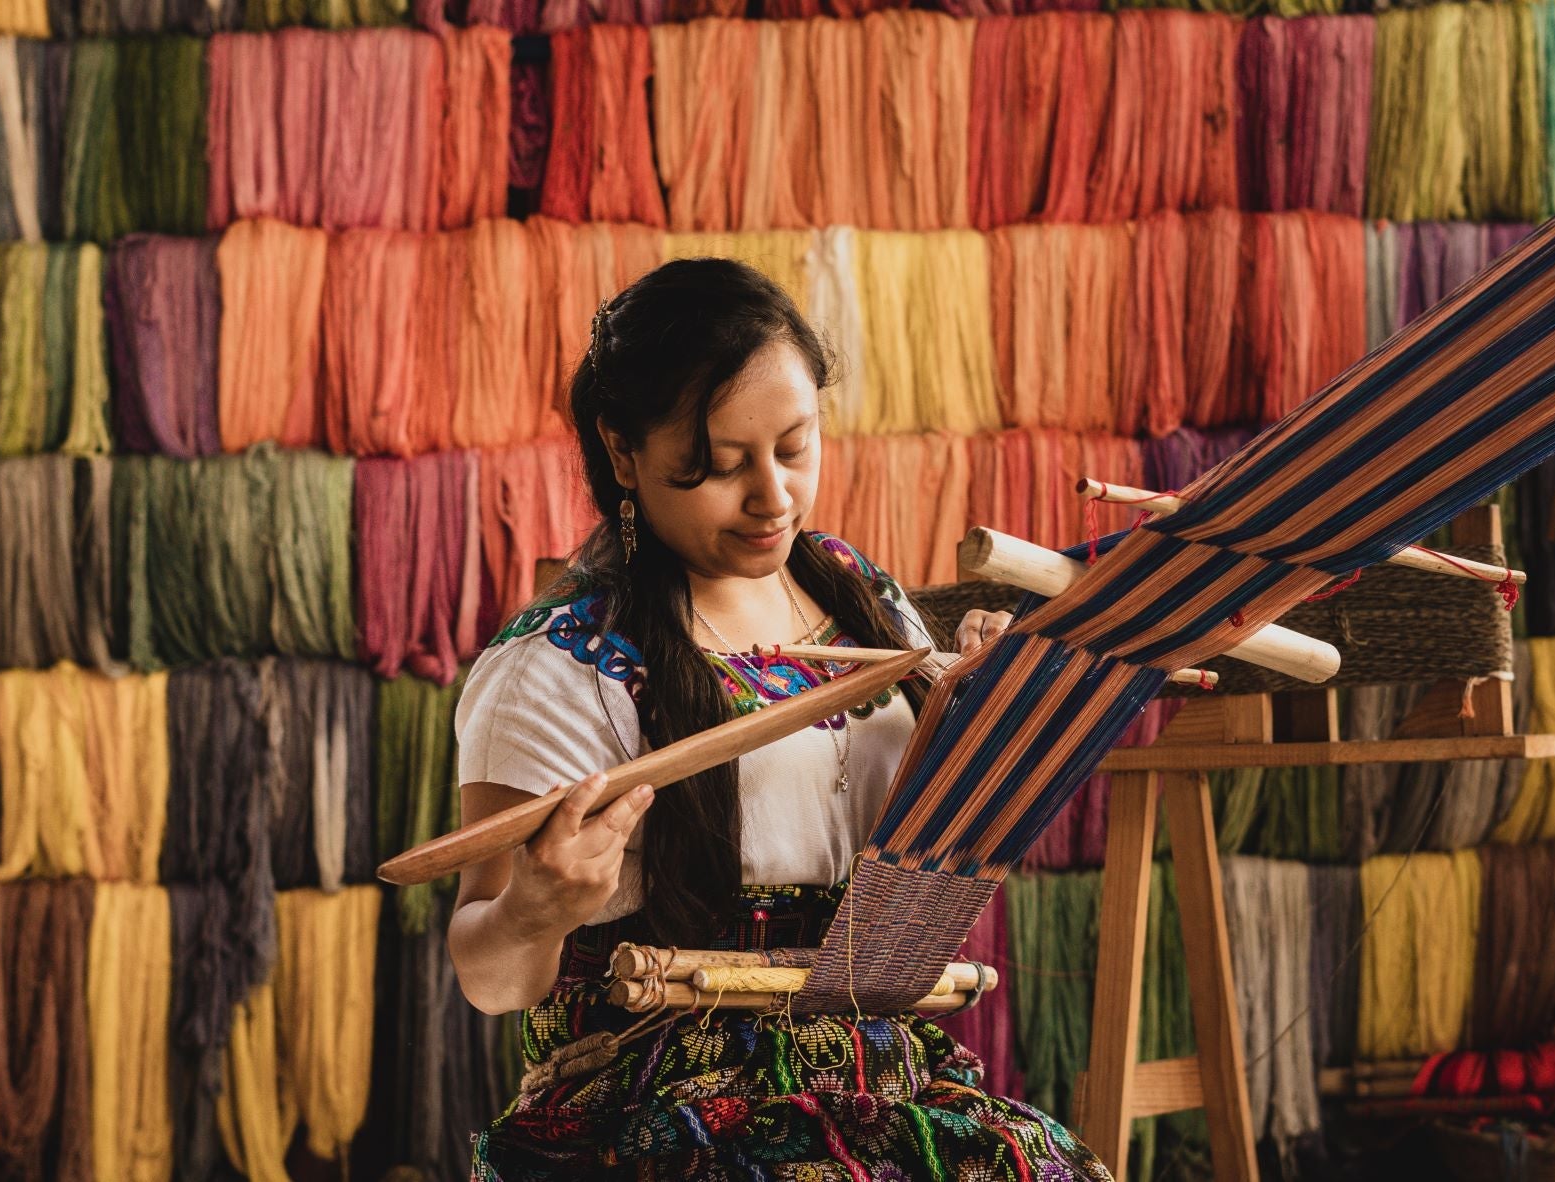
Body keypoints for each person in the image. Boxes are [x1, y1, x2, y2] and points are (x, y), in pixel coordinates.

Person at [448, 258, 1111, 1181]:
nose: (773, 499)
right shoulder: (558, 667)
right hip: (656, 1090)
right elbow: (487, 976)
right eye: (721, 467)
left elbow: (927, 840)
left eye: (795, 447)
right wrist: (534, 909)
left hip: (885, 1071)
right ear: (623, 452)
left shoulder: (861, 597)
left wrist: (981, 718)